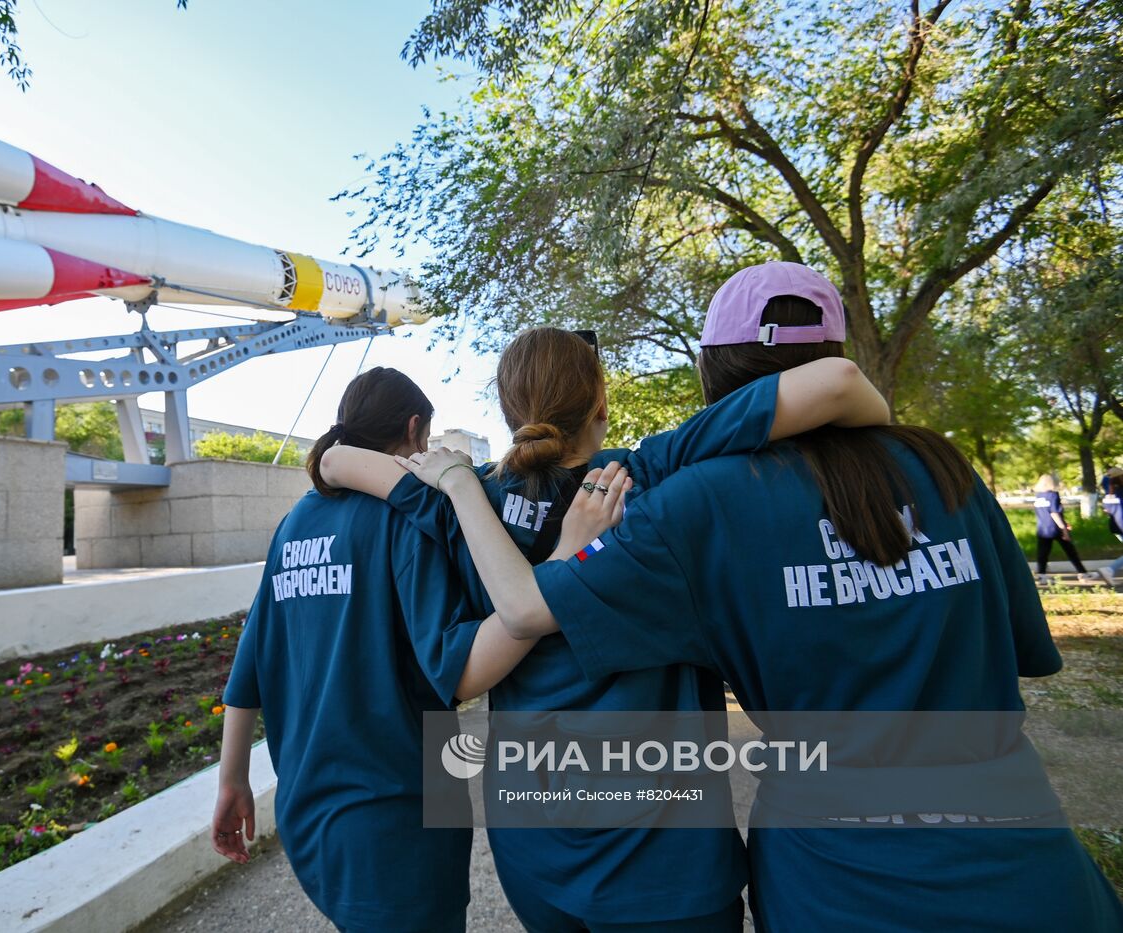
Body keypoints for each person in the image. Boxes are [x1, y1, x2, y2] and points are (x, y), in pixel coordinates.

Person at [398, 262, 1123, 932]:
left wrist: (455, 483)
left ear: (712, 369)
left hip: (829, 878)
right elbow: (1023, 652)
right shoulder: (942, 465)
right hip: (1026, 859)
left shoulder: (691, 505)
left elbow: (514, 618)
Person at [318, 327, 891, 932]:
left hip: (535, 854)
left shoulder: (468, 504)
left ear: (511, 411)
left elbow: (335, 459)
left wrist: (453, 476)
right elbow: (840, 382)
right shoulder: (647, 476)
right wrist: (889, 439)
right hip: (665, 863)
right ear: (601, 405)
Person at [209, 366, 627, 933]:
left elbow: (252, 658)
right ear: (414, 430)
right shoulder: (404, 520)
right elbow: (458, 671)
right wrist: (551, 581)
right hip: (400, 808)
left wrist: (231, 778)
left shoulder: (293, 524)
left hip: (309, 805)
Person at [1033, 473, 1089, 580]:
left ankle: (1041, 575)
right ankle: (1083, 573)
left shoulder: (1038, 496)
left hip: (1042, 529)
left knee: (1043, 553)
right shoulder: (1053, 495)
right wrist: (1064, 529)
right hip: (1055, 528)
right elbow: (1054, 513)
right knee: (1070, 551)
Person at [1101, 467, 1123, 586]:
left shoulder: (1109, 494)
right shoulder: (1121, 492)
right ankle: (1109, 570)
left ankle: (1110, 570)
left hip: (1115, 526)